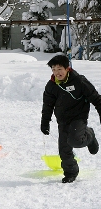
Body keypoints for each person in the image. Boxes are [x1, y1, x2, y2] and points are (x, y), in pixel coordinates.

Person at [41, 54, 100, 183]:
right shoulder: (51, 86)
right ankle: (70, 172)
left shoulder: (79, 81)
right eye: (53, 69)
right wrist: (45, 123)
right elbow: (47, 106)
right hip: (62, 120)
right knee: (64, 149)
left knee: (75, 140)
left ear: (67, 68)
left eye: (59, 69)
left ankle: (89, 135)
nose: (57, 72)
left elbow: (96, 99)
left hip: (79, 118)